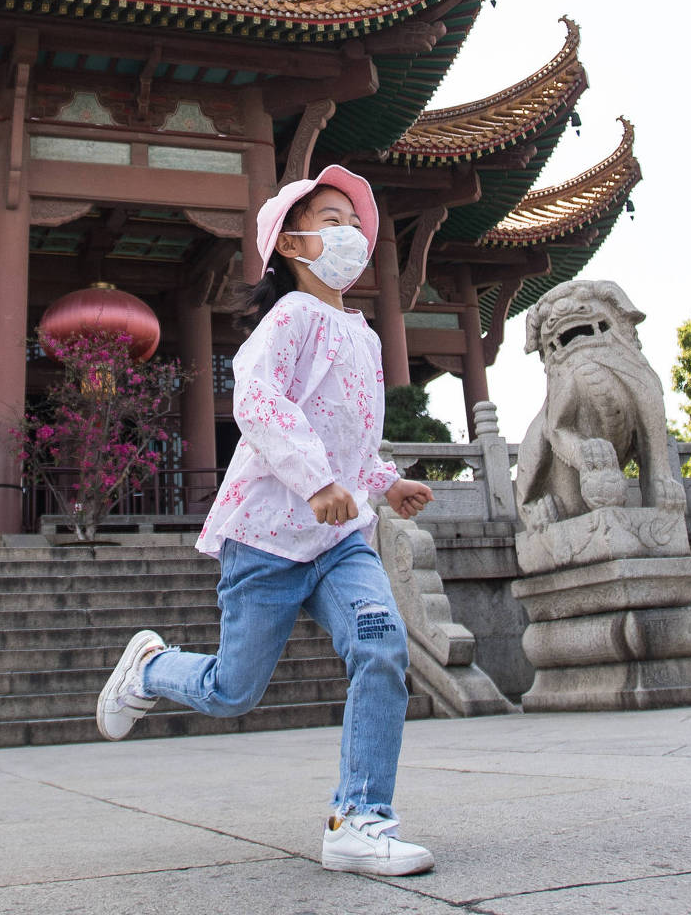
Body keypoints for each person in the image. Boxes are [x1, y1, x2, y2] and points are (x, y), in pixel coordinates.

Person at [94, 164, 439, 875]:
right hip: (266, 537)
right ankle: (153, 668)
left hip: (340, 542)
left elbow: (349, 434)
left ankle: (360, 817)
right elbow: (258, 403)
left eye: (355, 223)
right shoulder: (288, 319)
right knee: (232, 690)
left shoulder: (365, 337)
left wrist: (383, 481)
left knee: (382, 643)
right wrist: (314, 483)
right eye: (332, 221)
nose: (349, 235)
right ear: (292, 243)